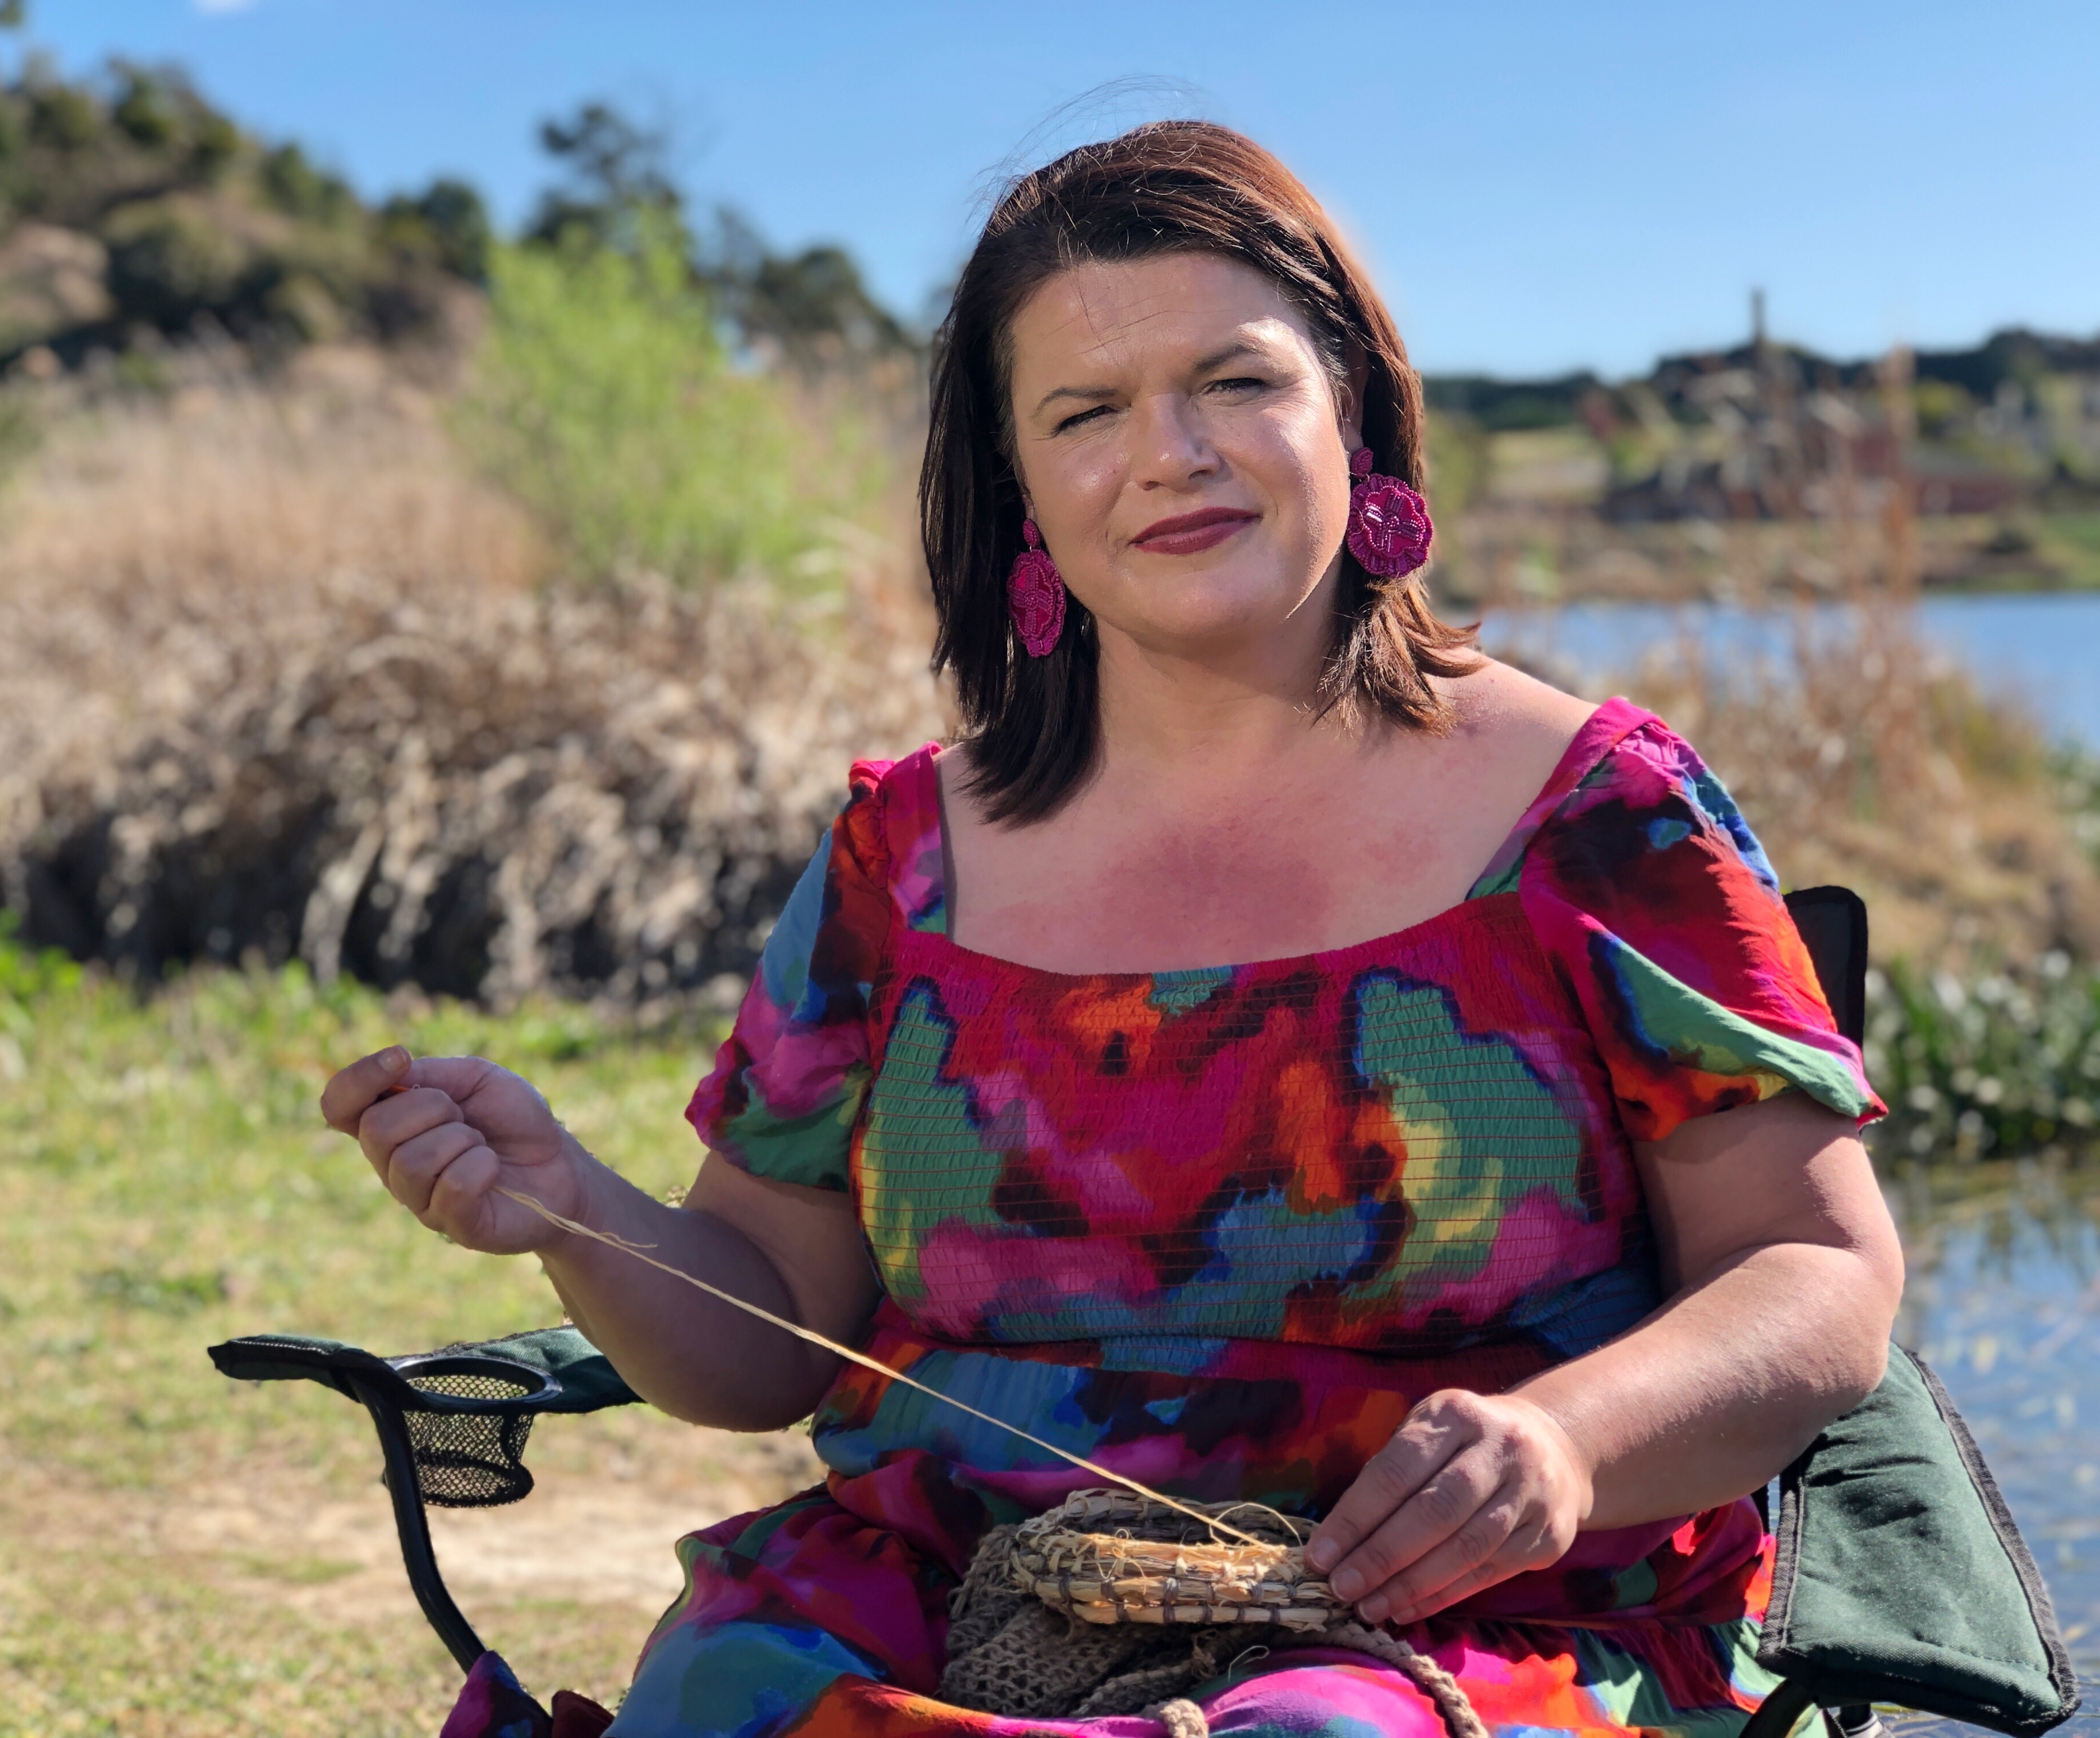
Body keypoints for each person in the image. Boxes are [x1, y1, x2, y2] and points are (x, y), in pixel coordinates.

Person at [321, 121, 1902, 1738]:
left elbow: (1818, 1268)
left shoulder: (1600, 817)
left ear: (1348, 407)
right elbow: (765, 1342)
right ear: (1022, 495)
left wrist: (1566, 1444)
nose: (1172, 454)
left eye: (1236, 381)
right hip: (945, 1604)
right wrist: (573, 1210)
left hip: (1472, 1628)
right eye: (1087, 412)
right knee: (727, 1697)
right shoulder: (901, 861)